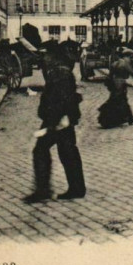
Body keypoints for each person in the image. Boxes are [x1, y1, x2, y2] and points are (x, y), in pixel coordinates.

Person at [24, 42, 86, 203]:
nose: (43, 58)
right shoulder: (59, 71)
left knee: (42, 150)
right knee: (67, 152)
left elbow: (63, 98)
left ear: (53, 56)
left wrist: (57, 121)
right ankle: (76, 188)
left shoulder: (60, 72)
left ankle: (44, 190)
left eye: (45, 55)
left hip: (58, 119)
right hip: (59, 118)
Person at [98, 47, 133, 128]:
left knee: (119, 100)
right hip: (121, 83)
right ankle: (124, 118)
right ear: (127, 56)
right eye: (130, 56)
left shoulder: (115, 63)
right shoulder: (125, 63)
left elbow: (110, 75)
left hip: (113, 83)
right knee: (120, 101)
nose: (130, 59)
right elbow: (132, 72)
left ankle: (129, 118)